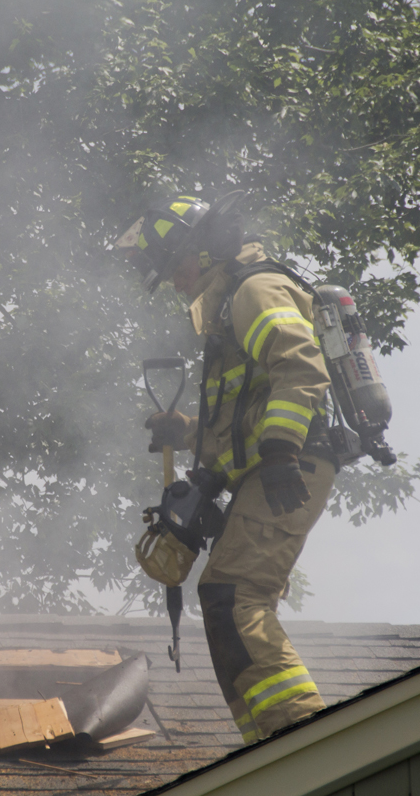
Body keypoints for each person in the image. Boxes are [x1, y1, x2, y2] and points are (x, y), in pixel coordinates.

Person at [120, 193, 336, 743]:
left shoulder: (254, 290)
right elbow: (239, 421)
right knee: (219, 599)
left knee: (236, 593)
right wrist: (187, 430)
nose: (174, 282)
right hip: (272, 466)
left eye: (176, 267)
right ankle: (264, 745)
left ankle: (301, 738)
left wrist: (284, 448)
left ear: (204, 251)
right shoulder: (224, 314)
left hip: (290, 468)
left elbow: (300, 366)